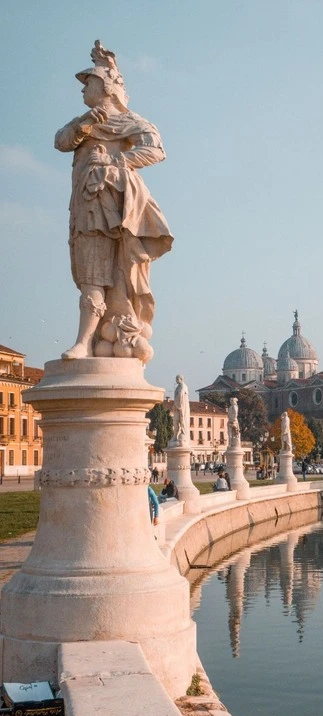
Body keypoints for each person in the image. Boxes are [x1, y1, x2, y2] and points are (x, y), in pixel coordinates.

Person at [55, 40, 173, 363]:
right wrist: (85, 124)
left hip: (103, 211)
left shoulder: (126, 121)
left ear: (106, 87)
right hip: (80, 209)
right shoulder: (86, 120)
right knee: (86, 277)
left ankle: (84, 342)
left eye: (88, 82)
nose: (82, 89)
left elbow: (156, 148)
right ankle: (91, 341)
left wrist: (117, 165)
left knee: (95, 276)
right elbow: (60, 141)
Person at [170, 375, 190, 446]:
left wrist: (178, 405)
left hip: (182, 407)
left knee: (182, 420)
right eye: (176, 379)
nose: (176, 380)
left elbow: (181, 395)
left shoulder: (183, 386)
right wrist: (175, 405)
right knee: (175, 421)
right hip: (177, 406)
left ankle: (183, 434)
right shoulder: (178, 387)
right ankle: (175, 436)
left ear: (181, 379)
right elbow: (177, 397)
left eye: (177, 379)